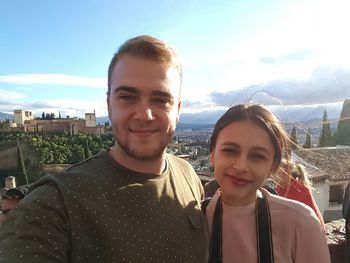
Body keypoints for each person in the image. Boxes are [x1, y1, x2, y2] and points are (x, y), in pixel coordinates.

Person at [0, 35, 208, 262]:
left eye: (160, 99)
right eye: (127, 97)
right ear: (109, 106)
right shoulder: (52, 204)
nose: (144, 114)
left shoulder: (188, 175)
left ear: (177, 109)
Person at [205, 103, 330, 263]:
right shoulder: (195, 220)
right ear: (212, 155)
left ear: (273, 166)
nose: (242, 166)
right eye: (230, 150)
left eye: (257, 156)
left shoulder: (301, 223)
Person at [274, 159, 325, 226]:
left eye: (278, 173)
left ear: (288, 174)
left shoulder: (299, 190)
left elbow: (288, 217)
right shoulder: (280, 187)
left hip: (311, 229)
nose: (274, 176)